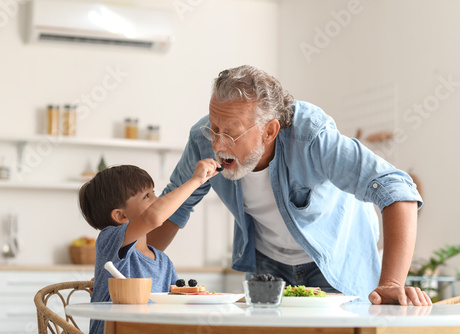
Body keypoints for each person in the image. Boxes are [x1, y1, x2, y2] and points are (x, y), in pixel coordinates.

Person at [148, 64, 432, 306]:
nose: (218, 144)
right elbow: (170, 210)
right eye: (214, 128)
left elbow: (396, 188)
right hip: (268, 265)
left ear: (270, 131)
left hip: (334, 261)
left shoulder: (311, 137)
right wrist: (133, 271)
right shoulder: (203, 140)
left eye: (231, 134)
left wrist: (393, 282)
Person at [79, 161, 220, 334]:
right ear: (121, 215)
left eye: (153, 193)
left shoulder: (163, 261)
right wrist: (196, 181)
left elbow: (177, 304)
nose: (157, 199)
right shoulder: (109, 239)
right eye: (147, 196)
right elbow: (153, 218)